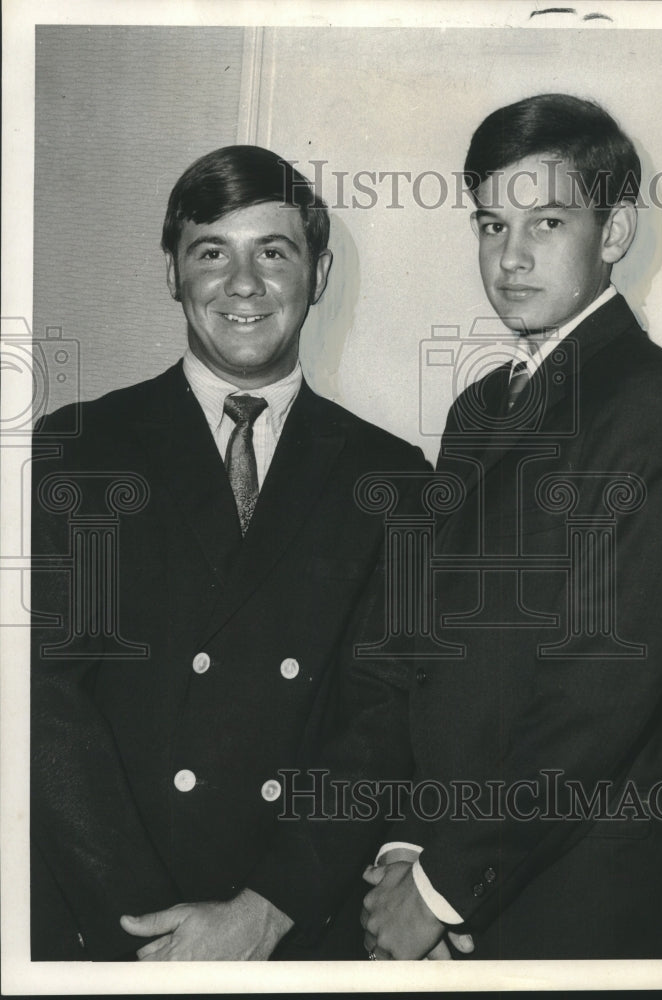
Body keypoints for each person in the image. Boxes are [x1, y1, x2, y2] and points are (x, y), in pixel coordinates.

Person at [30, 145, 427, 960]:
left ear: (316, 276)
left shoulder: (391, 476)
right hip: (113, 926)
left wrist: (266, 910)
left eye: (273, 252)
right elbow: (47, 707)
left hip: (290, 927)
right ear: (172, 274)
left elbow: (383, 719)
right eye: (212, 251)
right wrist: (146, 931)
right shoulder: (79, 446)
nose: (243, 285)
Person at [359, 93, 662, 959]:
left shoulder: (659, 408)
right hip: (457, 882)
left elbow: (597, 702)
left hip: (583, 908)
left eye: (547, 220)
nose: (509, 256)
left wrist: (445, 887)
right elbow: (427, 653)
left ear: (614, 232)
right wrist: (411, 848)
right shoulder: (478, 408)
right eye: (490, 225)